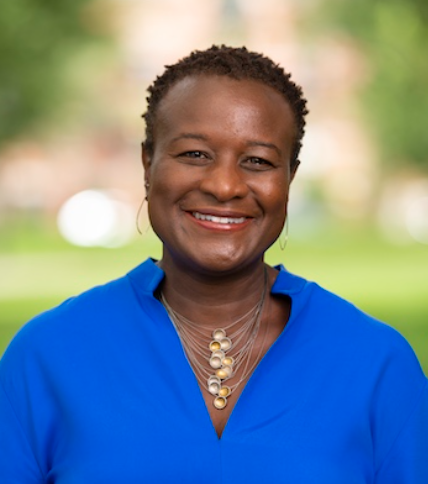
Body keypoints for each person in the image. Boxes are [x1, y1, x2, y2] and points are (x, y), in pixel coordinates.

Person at [0, 45, 427, 483]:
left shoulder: (376, 363)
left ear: (289, 179)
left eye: (257, 161)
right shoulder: (47, 356)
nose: (224, 186)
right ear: (148, 164)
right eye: (195, 154)